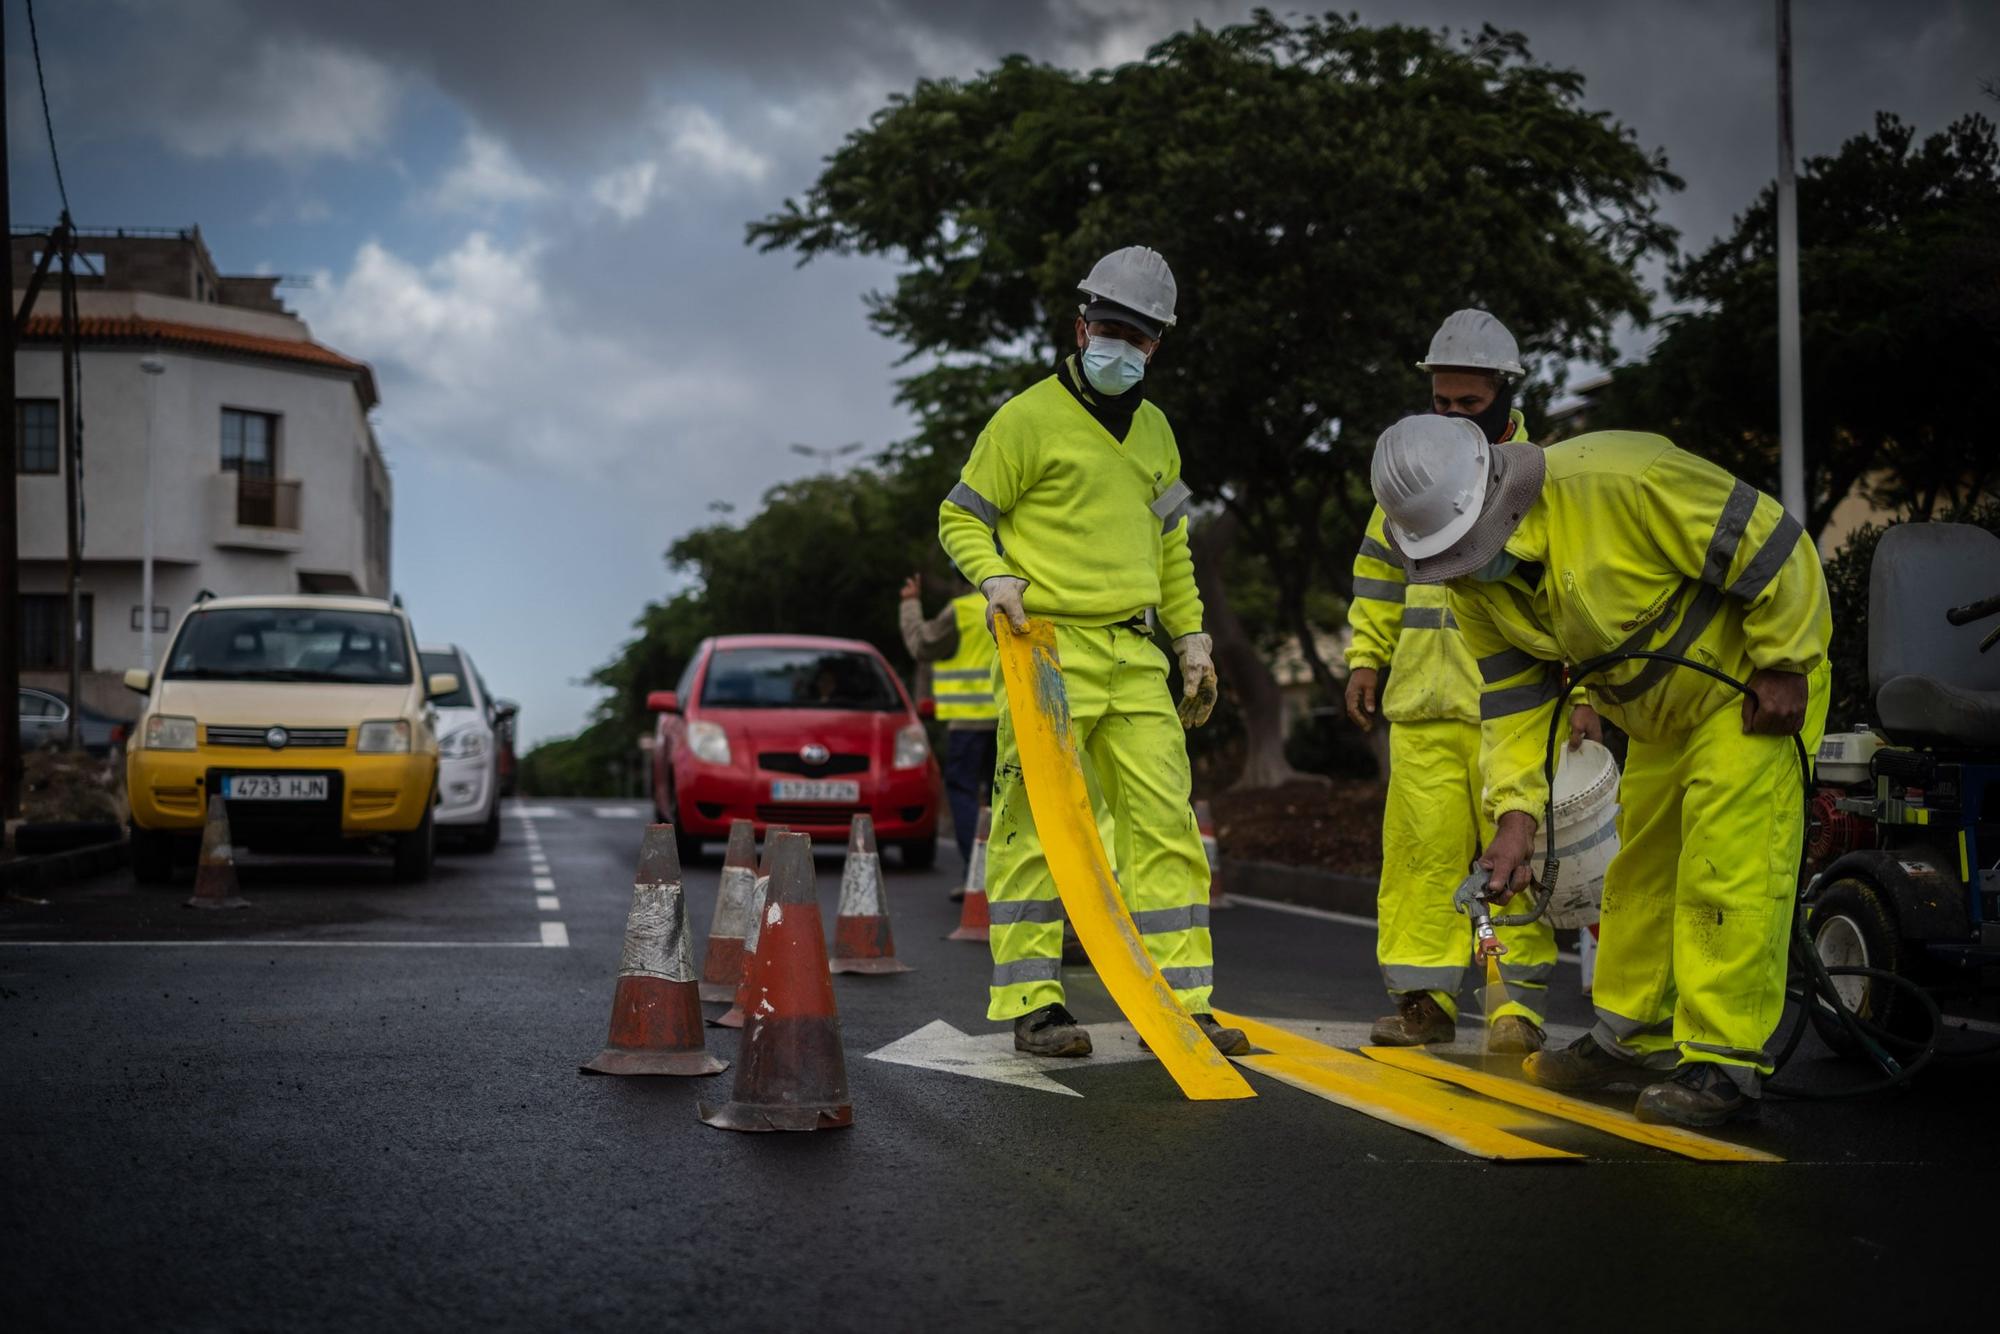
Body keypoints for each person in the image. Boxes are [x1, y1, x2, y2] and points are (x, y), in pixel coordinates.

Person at [1369, 412, 1831, 1128]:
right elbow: (1518, 703)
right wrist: (1514, 823)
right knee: (1639, 871)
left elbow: (1776, 546)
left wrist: (1785, 661)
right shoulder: (1475, 585)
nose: (1462, 566)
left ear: (1498, 499)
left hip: (1749, 694)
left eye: (1465, 547)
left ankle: (1723, 1061)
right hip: (1656, 716)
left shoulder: (1626, 480)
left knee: (1727, 864)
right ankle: (1633, 1036)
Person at [938, 244, 1243, 1059]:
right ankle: (1036, 1007)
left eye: (1136, 336)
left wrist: (1192, 638)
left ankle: (1181, 1004)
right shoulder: (1025, 419)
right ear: (1080, 326)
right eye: (1107, 327)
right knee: (1037, 829)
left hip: (1134, 650)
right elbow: (961, 516)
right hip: (1047, 651)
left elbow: (1173, 544)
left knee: (1165, 827)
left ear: (1156, 346)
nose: (1118, 345)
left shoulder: (1156, 432)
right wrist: (996, 576)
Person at [1344, 310, 1592, 1054]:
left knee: (1518, 861)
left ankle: (1516, 1011)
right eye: (1441, 404)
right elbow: (1377, 577)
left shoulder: (1538, 483)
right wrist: (1365, 656)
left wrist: (1584, 699)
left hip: (1512, 716)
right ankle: (1425, 1005)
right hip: (1422, 707)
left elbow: (1579, 603)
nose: (1451, 418)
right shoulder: (1412, 477)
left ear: (1506, 396)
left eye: (1468, 406)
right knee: (1418, 862)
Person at [899, 567, 999, 871]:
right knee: (1007, 792)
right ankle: (1006, 866)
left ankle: (978, 871)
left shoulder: (963, 610)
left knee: (962, 789)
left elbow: (922, 644)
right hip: (1011, 718)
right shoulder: (1023, 602)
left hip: (969, 721)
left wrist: (910, 604)